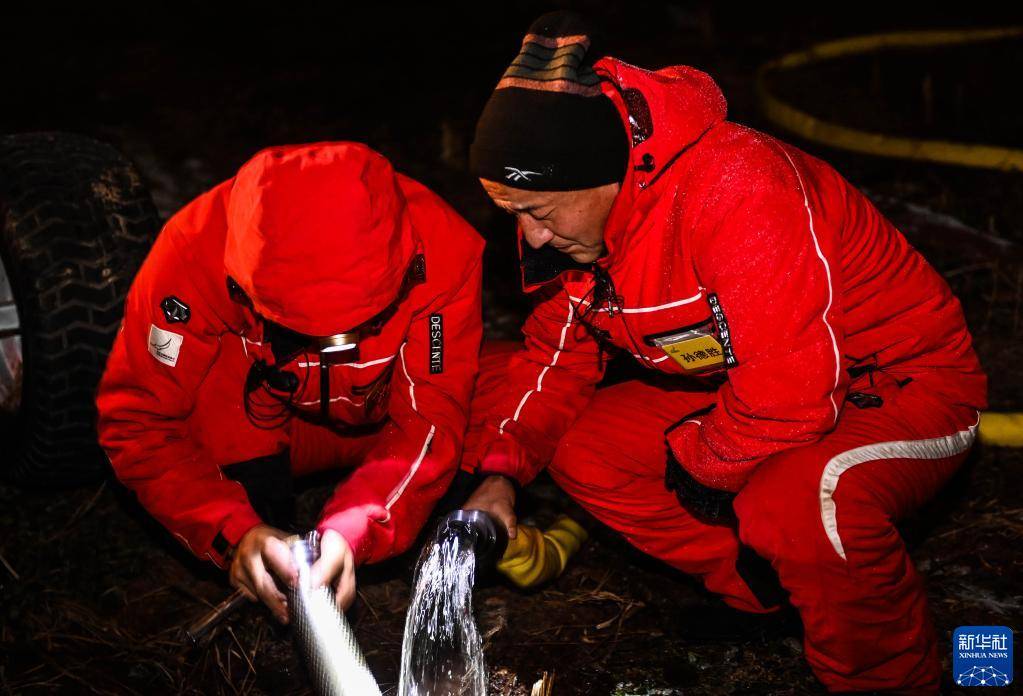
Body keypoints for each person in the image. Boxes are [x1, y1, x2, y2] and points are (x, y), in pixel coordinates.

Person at [461, 12, 986, 693]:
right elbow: (554, 358)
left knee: (796, 503)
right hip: (744, 382)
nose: (529, 238)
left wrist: (704, 462)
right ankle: (765, 592)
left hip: (896, 385)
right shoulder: (578, 227)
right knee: (587, 450)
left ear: (604, 174)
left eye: (540, 212)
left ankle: (888, 682)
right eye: (513, 214)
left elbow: (788, 397)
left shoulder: (737, 188)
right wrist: (501, 472)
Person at [97, 142, 483, 624]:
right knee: (198, 404)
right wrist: (233, 531)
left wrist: (354, 530)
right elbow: (138, 421)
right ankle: (263, 526)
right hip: (260, 421)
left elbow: (431, 416)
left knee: (498, 389)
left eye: (358, 327)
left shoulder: (441, 246)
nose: (335, 345)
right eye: (300, 332)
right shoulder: (193, 250)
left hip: (382, 411)